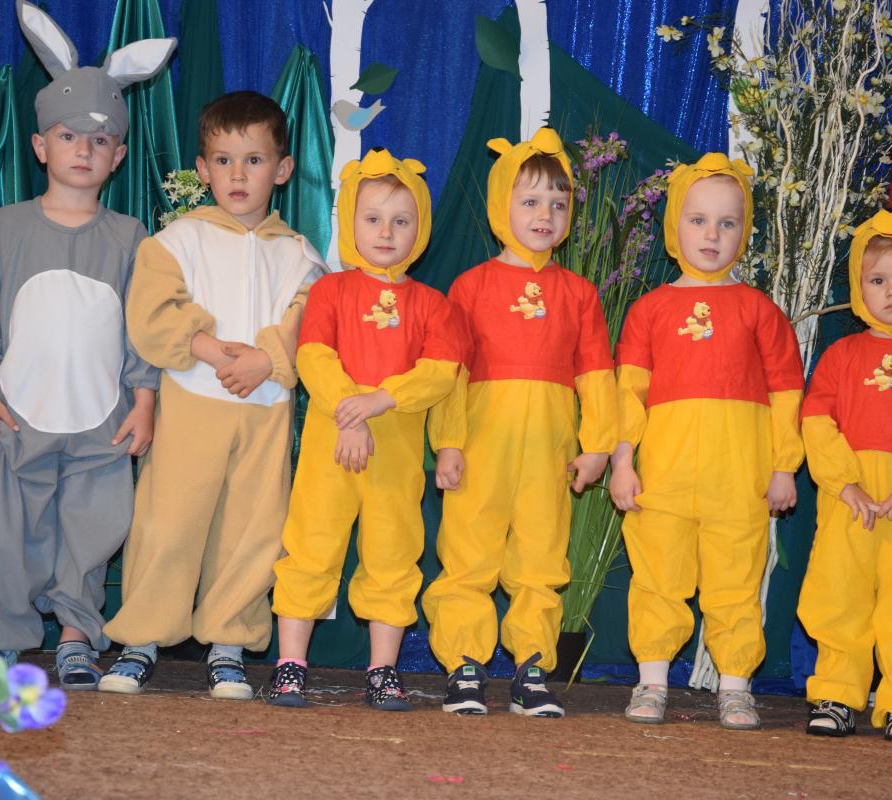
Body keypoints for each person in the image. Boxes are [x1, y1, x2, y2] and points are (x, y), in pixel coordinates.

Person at [0, 2, 174, 687]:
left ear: (118, 155)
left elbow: (142, 328)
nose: (84, 149)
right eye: (68, 135)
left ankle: (78, 635)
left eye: (100, 139)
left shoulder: (131, 237)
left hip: (100, 420)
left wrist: (144, 402)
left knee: (92, 530)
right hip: (19, 412)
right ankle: (1, 637)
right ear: (39, 146)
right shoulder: (4, 228)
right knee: (8, 531)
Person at [100, 91, 325, 700]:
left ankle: (229, 644)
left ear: (282, 169)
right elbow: (151, 313)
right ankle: (141, 639)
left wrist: (266, 360)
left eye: (254, 160)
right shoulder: (177, 240)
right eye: (223, 161)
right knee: (168, 524)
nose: (237, 175)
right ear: (202, 169)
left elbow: (310, 322)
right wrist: (212, 349)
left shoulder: (299, 255)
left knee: (252, 532)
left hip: (265, 412)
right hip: (191, 407)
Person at [422, 128, 618, 718]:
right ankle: (464, 664)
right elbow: (451, 373)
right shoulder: (471, 286)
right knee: (469, 554)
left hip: (548, 455)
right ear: (500, 205)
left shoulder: (579, 294)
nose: (544, 215)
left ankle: (532, 666)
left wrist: (598, 446)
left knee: (541, 558)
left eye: (558, 203)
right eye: (530, 201)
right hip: (482, 447)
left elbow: (597, 374)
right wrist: (449, 443)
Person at [608, 153, 803, 728]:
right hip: (663, 479)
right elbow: (628, 395)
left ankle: (735, 685)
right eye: (698, 220)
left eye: (727, 222)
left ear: (744, 231)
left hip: (738, 481)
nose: (712, 235)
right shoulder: (648, 310)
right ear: (676, 226)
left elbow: (787, 393)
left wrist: (783, 466)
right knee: (657, 579)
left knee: (735, 582)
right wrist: (623, 461)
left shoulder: (760, 311)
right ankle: (652, 682)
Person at [268, 148, 458, 711]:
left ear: (420, 228)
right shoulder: (330, 291)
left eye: (401, 220)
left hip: (395, 459)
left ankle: (382, 670)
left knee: (394, 556)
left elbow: (440, 372)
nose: (386, 232)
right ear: (350, 222)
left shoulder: (433, 304)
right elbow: (313, 357)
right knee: (310, 547)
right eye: (373, 218)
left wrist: (381, 399)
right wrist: (351, 411)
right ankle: (290, 665)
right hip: (331, 447)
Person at [796, 209, 892, 742]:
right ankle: (837, 695)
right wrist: (844, 483)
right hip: (851, 500)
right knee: (839, 594)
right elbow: (816, 419)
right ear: (859, 289)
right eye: (878, 280)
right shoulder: (842, 354)